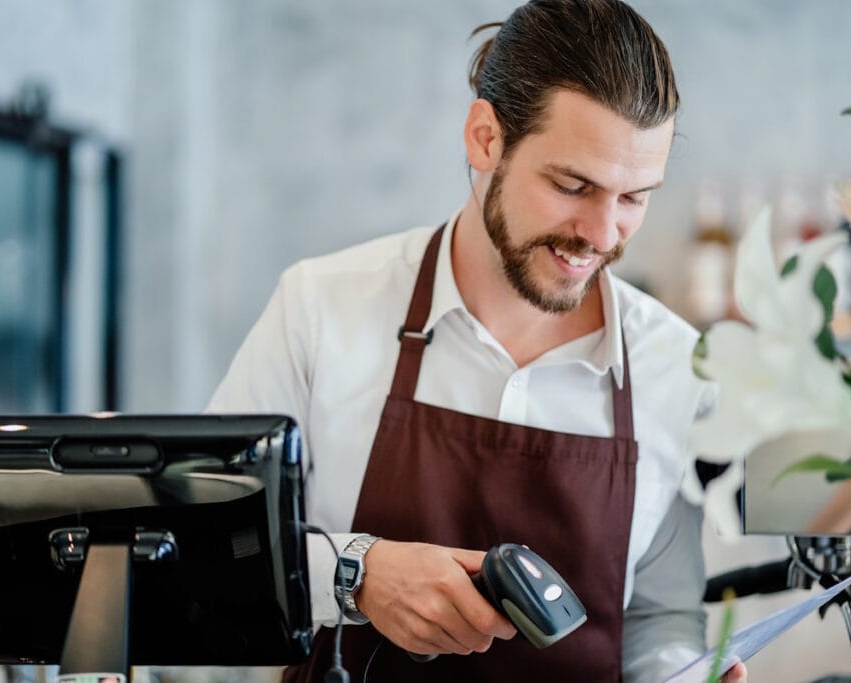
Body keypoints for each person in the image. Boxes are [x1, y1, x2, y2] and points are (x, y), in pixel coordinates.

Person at [209, 1, 747, 681]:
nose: (603, 233)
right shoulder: (320, 309)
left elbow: (661, 620)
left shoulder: (674, 365)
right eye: (573, 184)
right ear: (485, 138)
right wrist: (355, 572)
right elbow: (205, 544)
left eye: (635, 197)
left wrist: (686, 672)